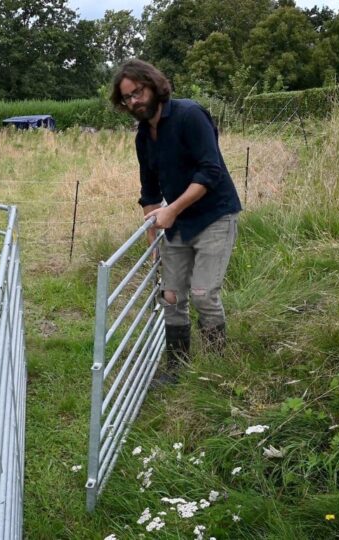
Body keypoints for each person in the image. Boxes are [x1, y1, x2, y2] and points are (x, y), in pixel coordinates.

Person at [111, 59, 242, 383]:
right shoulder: (143, 137)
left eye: (137, 93)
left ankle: (215, 369)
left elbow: (211, 170)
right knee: (171, 296)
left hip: (214, 215)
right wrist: (153, 240)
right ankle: (177, 368)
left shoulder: (189, 115)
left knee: (202, 294)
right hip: (177, 224)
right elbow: (150, 191)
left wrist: (172, 210)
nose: (133, 102)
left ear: (153, 85)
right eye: (126, 98)